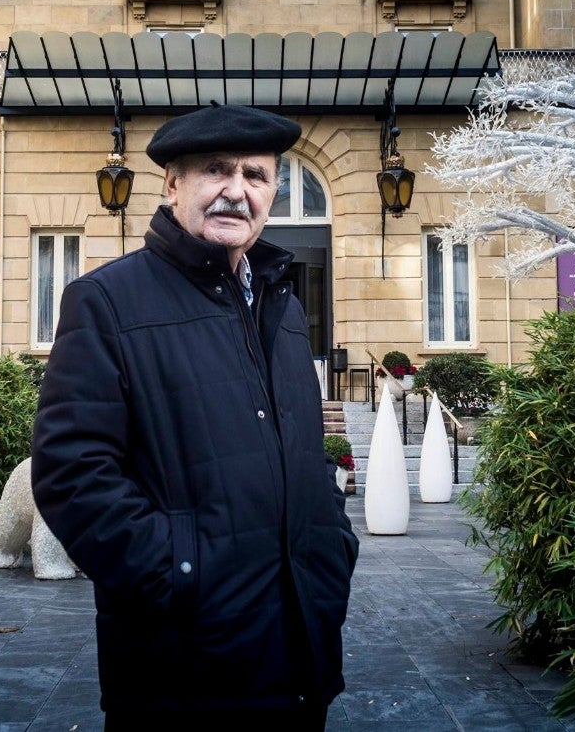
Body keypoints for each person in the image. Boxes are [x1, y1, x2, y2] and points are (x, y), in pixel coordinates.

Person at [31, 102, 359, 730]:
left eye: (257, 175)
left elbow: (303, 450)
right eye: (216, 170)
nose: (238, 191)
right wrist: (183, 573)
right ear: (173, 183)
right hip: (179, 668)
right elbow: (72, 477)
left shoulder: (284, 309)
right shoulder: (104, 301)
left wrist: (331, 550)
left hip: (300, 656)